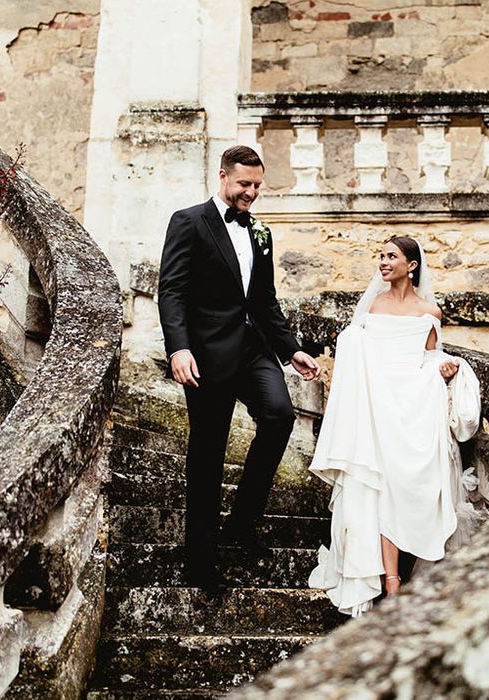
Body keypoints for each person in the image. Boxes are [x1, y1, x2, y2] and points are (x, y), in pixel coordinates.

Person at [157, 145, 321, 592]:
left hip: (254, 349)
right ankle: (201, 561)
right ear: (223, 177)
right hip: (206, 355)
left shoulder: (261, 233)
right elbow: (170, 291)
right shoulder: (188, 221)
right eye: (244, 184)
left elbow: (264, 301)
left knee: (280, 415)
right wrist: (179, 348)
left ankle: (243, 522)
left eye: (257, 186)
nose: (250, 193)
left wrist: (292, 351)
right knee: (208, 453)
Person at [308, 236, 481, 616]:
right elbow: (358, 357)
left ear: (412, 265)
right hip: (375, 407)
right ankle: (390, 581)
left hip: (414, 407)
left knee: (411, 487)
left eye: (391, 256)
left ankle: (409, 570)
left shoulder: (429, 312)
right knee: (378, 487)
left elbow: (430, 360)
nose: (383, 263)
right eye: (380, 256)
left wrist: (448, 373)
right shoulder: (371, 307)